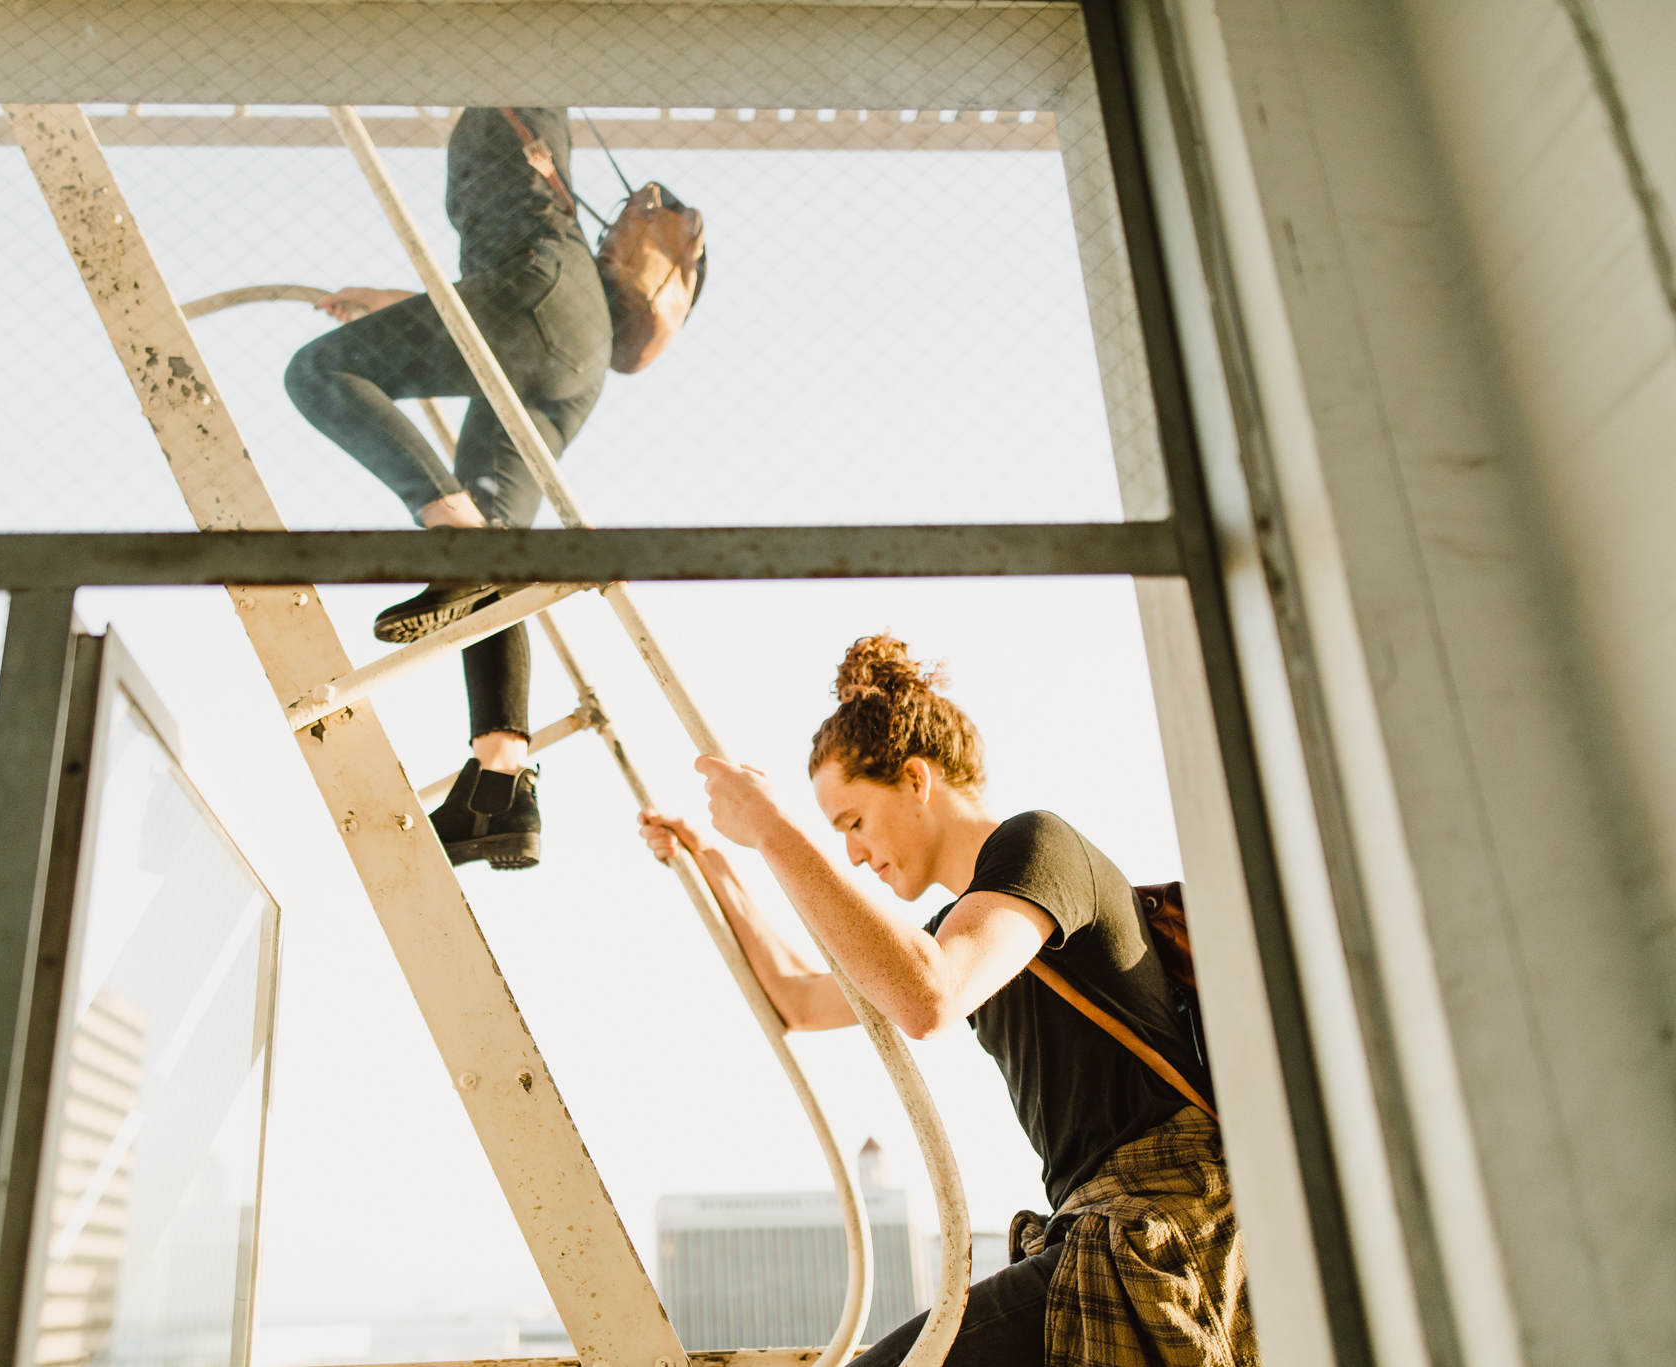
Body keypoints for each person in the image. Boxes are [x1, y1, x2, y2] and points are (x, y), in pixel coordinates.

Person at [639, 635, 1258, 1366]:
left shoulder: (1040, 845)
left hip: (1157, 1230)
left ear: (915, 779)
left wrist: (776, 829)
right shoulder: (958, 929)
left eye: (853, 822)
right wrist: (718, 868)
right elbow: (799, 1001)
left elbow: (928, 994)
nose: (853, 854)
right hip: (1100, 1229)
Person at [283, 107, 620, 872]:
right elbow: (497, 290)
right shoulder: (518, 118)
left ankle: (452, 533)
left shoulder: (503, 72)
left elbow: (515, 276)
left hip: (538, 298)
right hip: (571, 343)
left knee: (319, 371)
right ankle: (499, 781)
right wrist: (383, 299)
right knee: (491, 557)